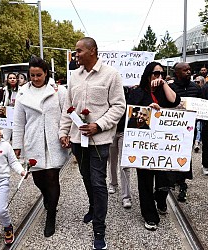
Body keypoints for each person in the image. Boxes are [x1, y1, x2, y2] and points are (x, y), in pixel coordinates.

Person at [59, 37, 126, 249]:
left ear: (92, 51)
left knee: (98, 182)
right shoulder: (74, 77)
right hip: (79, 141)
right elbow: (67, 108)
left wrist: (99, 125)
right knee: (86, 177)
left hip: (100, 140)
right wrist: (63, 132)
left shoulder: (111, 75)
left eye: (78, 51)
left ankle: (99, 228)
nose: (75, 54)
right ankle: (93, 205)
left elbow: (118, 106)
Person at [12, 56, 69, 237]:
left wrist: (65, 133)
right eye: (32, 75)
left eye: (39, 75)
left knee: (52, 177)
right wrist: (17, 145)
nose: (35, 78)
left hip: (54, 141)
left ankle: (51, 214)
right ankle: (47, 198)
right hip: (34, 141)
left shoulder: (59, 91)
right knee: (38, 179)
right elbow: (18, 122)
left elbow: (67, 115)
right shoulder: (22, 93)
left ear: (46, 73)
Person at [127, 61, 180, 231]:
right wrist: (148, 110)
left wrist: (164, 84)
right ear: (148, 74)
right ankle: (149, 215)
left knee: (164, 177)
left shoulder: (163, 90)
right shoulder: (137, 92)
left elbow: (174, 101)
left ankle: (161, 198)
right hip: (144, 144)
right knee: (145, 181)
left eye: (162, 74)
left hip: (163, 144)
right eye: (156, 74)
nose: (159, 77)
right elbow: (131, 117)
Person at [169, 62, 202, 202]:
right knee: (171, 153)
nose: (188, 72)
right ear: (177, 73)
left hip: (189, 129)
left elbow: (202, 105)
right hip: (173, 128)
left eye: (189, 70)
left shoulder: (196, 88)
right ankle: (170, 180)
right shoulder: (170, 88)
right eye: (185, 70)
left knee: (185, 155)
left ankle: (182, 182)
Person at [107, 86, 133, 208]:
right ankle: (113, 183)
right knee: (112, 160)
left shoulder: (132, 93)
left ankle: (126, 196)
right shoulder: (109, 90)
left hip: (125, 131)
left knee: (125, 164)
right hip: (111, 130)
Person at [0, 73, 20, 141]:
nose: (12, 80)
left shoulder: (21, 90)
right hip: (7, 114)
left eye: (14, 78)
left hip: (18, 113)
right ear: (7, 80)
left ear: (16, 80)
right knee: (6, 134)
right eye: (10, 78)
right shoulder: (4, 90)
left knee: (17, 133)